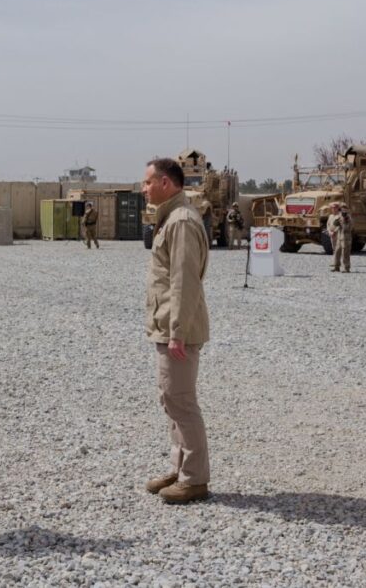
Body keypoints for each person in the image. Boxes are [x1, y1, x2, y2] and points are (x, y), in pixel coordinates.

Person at [141, 158, 211, 504]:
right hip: (167, 324)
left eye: (148, 182)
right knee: (171, 399)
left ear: (166, 183)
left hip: (176, 327)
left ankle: (195, 479)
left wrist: (178, 331)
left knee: (181, 401)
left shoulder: (181, 220)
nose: (144, 189)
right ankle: (180, 467)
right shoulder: (170, 217)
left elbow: (184, 281)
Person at [334, 205, 352, 273]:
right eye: (341, 210)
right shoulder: (340, 217)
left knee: (345, 253)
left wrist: (344, 221)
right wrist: (338, 219)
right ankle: (336, 266)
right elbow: (335, 224)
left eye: (344, 210)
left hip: (346, 237)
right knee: (337, 251)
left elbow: (347, 228)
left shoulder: (348, 218)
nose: (342, 212)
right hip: (339, 236)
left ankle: (346, 268)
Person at [326, 202, 341, 269]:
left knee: (338, 249)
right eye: (332, 208)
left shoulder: (339, 216)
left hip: (338, 234)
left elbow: (340, 225)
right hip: (332, 234)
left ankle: (338, 263)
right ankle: (335, 262)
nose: (333, 209)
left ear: (338, 208)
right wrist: (329, 231)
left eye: (335, 208)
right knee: (334, 249)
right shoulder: (330, 216)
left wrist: (334, 231)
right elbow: (328, 225)